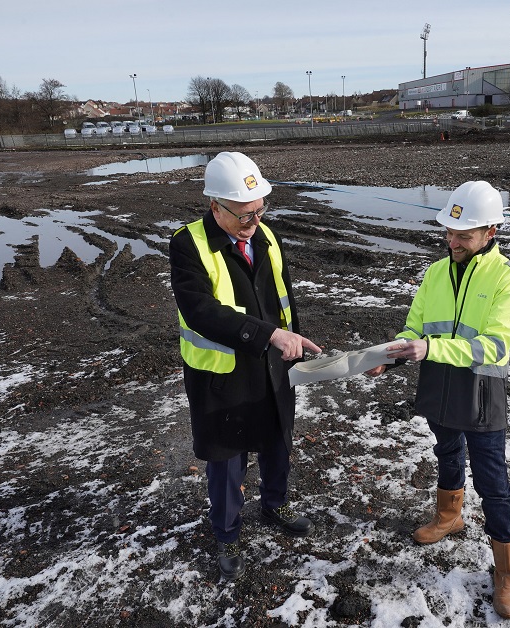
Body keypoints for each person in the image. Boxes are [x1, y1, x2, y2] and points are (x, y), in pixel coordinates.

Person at [366, 180, 510, 619]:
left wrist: (430, 349)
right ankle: (449, 517)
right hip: (439, 387)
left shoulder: (507, 279)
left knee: (492, 481)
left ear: (490, 232)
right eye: (449, 234)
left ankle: (506, 574)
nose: (452, 242)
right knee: (446, 453)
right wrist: (390, 355)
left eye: (464, 236)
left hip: (481, 392)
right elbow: (415, 327)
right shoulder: (436, 272)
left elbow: (495, 347)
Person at [169, 151, 321, 581]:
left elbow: (282, 299)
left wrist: (295, 341)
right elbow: (200, 310)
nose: (253, 222)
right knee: (227, 457)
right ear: (215, 205)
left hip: (273, 365)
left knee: (277, 441)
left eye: (259, 211)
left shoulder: (265, 236)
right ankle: (227, 532)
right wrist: (270, 335)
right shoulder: (188, 244)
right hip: (221, 376)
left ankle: (275, 504)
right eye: (244, 215)